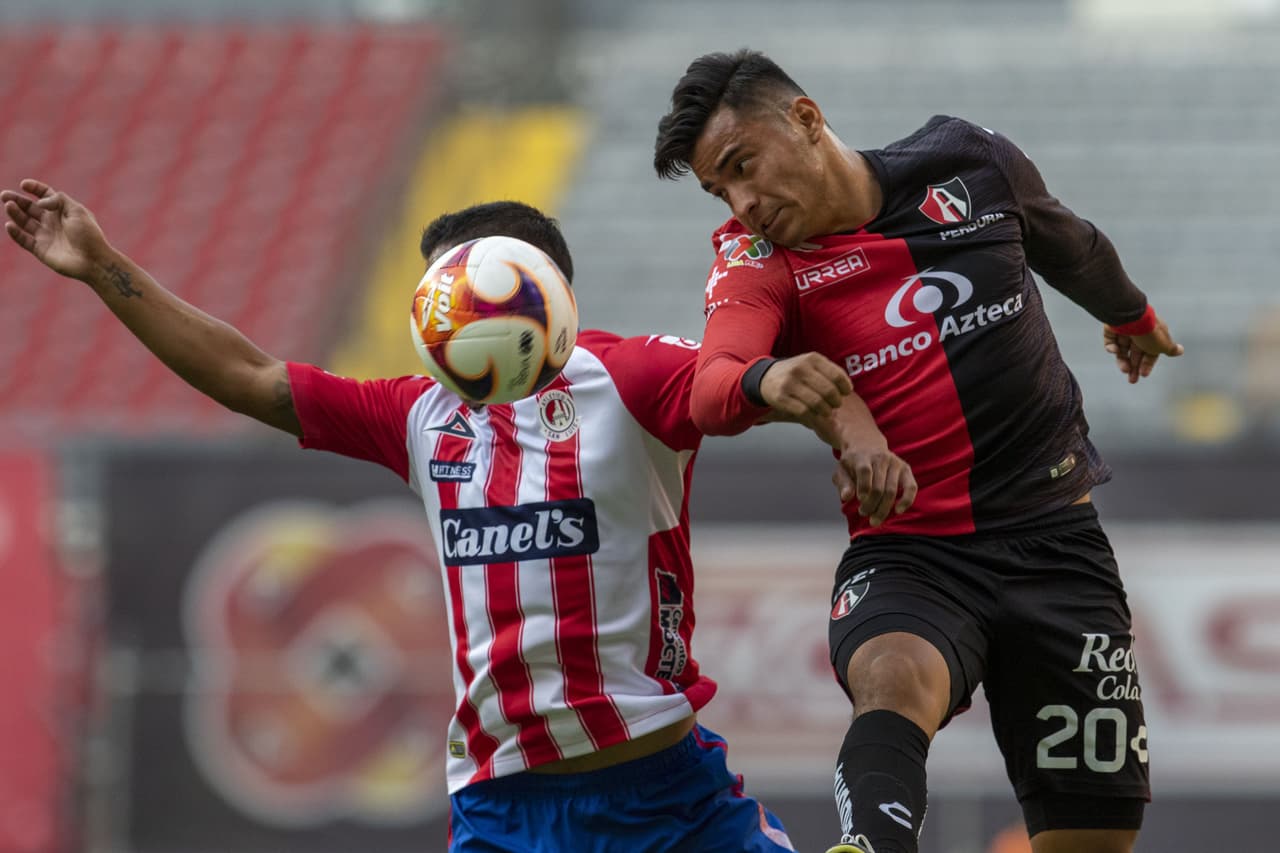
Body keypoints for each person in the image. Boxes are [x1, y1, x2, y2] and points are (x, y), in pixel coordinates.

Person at [3, 183, 823, 851]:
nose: (437, 327)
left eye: (456, 295)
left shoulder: (636, 377)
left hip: (664, 799)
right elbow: (249, 375)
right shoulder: (422, 416)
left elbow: (741, 383)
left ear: (529, 287)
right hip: (502, 809)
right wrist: (101, 266)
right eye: (431, 302)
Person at [653, 49, 1184, 853]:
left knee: (1095, 836)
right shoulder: (757, 261)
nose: (743, 201)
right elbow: (712, 386)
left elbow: (1069, 244)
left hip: (1058, 544)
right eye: (719, 189)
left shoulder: (969, 162)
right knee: (894, 678)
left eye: (742, 166)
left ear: (804, 117)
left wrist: (1132, 313)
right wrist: (772, 378)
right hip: (911, 554)